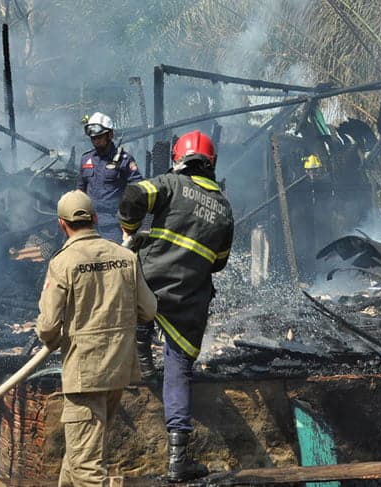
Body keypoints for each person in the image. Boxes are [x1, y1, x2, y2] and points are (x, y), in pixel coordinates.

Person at [118, 130, 234, 482]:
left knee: (142, 310)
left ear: (179, 160)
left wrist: (131, 229)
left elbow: (133, 194)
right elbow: (219, 263)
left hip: (150, 281)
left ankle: (142, 357)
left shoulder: (170, 184)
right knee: (179, 365)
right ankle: (177, 460)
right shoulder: (225, 211)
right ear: (211, 164)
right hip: (188, 296)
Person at [36, 189, 157, 487]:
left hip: (84, 375)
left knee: (87, 468)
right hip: (117, 370)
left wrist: (51, 339)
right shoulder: (125, 256)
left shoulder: (62, 262)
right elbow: (149, 309)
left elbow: (49, 324)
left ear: (61, 225)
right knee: (79, 455)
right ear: (95, 218)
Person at [77, 112, 143, 241]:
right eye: (93, 138)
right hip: (90, 225)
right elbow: (80, 190)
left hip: (114, 227)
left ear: (110, 135)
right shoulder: (86, 159)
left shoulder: (124, 159)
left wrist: (129, 219)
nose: (96, 141)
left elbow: (138, 188)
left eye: (99, 137)